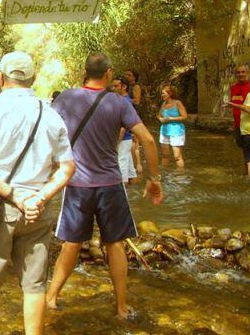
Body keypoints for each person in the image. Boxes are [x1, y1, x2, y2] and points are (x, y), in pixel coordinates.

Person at [0, 51, 76, 335]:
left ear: (1, 79)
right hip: (37, 211)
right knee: (35, 285)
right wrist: (40, 196)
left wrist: (15, 196)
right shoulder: (51, 115)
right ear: (33, 79)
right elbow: (67, 168)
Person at [48, 52, 164, 321]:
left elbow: (48, 131)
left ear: (84, 71)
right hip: (111, 184)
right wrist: (154, 178)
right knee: (115, 245)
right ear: (109, 73)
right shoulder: (118, 102)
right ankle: (121, 308)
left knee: (71, 244)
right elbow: (147, 140)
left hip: (77, 184)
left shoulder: (66, 98)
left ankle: (51, 298)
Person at [111, 77, 138, 184]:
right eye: (113, 85)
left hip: (123, 139)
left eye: (116, 86)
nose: (114, 88)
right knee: (131, 171)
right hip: (126, 139)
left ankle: (123, 191)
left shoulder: (125, 102)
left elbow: (123, 125)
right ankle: (134, 195)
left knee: (121, 165)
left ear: (124, 87)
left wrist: (117, 140)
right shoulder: (121, 100)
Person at [226, 81, 250, 178]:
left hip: (249, 132)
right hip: (242, 128)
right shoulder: (234, 87)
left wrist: (235, 105)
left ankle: (249, 187)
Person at [158, 85, 187, 168]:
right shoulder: (163, 104)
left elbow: (184, 116)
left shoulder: (177, 103)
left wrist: (171, 118)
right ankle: (164, 174)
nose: (162, 95)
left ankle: (179, 176)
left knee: (177, 157)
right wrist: (160, 119)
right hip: (164, 131)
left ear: (170, 94)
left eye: (163, 93)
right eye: (162, 94)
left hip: (176, 131)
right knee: (165, 155)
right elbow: (159, 115)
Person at [229, 64, 250, 173]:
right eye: (238, 72)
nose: (240, 74)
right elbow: (233, 105)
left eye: (243, 72)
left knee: (249, 153)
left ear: (247, 73)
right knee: (243, 150)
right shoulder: (233, 88)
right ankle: (247, 174)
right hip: (238, 125)